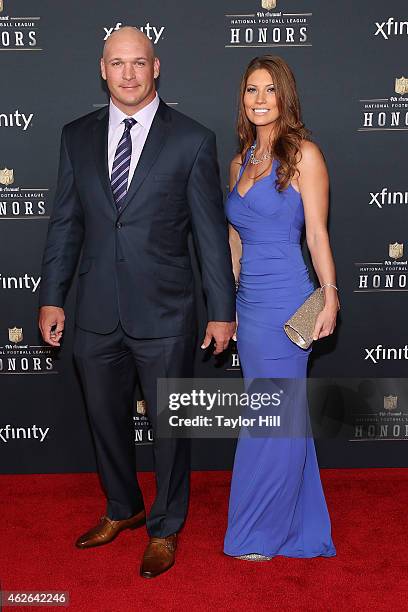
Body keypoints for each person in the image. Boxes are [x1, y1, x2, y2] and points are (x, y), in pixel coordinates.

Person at [38, 26, 235, 578]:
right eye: (117, 63)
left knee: (170, 430)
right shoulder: (75, 135)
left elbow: (209, 234)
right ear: (103, 69)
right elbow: (65, 224)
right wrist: (52, 297)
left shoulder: (192, 139)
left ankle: (167, 527)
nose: (128, 73)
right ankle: (123, 508)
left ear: (156, 67)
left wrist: (221, 310)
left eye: (139, 62)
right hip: (96, 309)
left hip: (167, 313)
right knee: (104, 420)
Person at [224, 55, 339, 560]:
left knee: (271, 418)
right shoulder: (240, 161)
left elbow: (317, 235)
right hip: (248, 309)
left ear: (285, 97)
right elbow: (235, 241)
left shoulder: (304, 156)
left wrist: (330, 295)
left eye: (270, 90)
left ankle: (257, 532)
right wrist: (225, 301)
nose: (260, 99)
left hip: (290, 305)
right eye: (252, 90)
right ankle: (300, 524)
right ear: (243, 98)